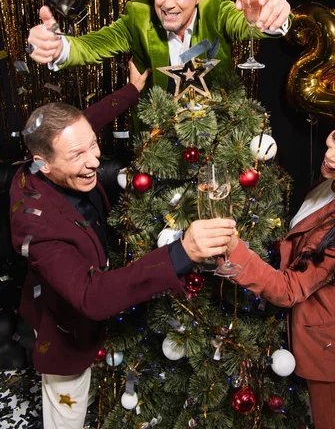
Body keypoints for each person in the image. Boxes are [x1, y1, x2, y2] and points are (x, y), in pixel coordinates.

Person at [9, 59, 236, 429]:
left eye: (93, 146)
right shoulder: (36, 226)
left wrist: (131, 91)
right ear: (42, 165)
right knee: (67, 409)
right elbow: (92, 297)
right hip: (63, 329)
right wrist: (183, 252)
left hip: (96, 298)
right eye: (78, 156)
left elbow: (85, 125)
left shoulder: (64, 143)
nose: (94, 161)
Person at [224, 103, 335, 429]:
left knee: (332, 421)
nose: (331, 155)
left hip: (334, 343)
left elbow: (289, 289)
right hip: (330, 316)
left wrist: (235, 250)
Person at [26, 0, 292, 132]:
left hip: (217, 143)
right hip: (157, 148)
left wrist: (270, 17)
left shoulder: (215, 8)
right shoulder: (138, 17)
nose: (168, 3)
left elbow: (244, 23)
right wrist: (59, 47)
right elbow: (92, 45)